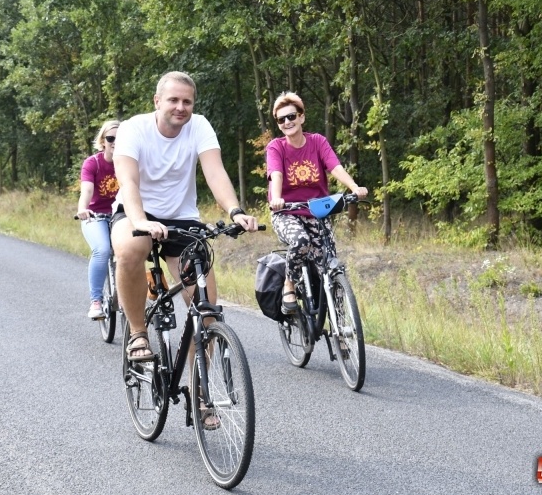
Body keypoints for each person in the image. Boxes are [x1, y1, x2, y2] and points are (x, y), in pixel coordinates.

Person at [111, 71, 258, 364]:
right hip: (136, 211)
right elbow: (129, 182)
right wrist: (140, 221)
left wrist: (235, 210)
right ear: (157, 101)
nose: (181, 107)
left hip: (182, 218)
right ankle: (139, 333)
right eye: (173, 100)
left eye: (187, 102)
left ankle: (200, 399)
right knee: (130, 249)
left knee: (205, 308)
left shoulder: (199, 126)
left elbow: (215, 173)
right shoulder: (133, 129)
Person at [266, 91, 368, 314]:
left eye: (291, 116)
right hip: (286, 212)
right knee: (300, 241)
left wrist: (354, 188)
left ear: (301, 117)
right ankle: (289, 284)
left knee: (332, 266)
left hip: (316, 212)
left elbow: (335, 167)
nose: (287, 122)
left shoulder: (317, 142)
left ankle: (342, 331)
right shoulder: (276, 147)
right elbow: (276, 175)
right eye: (281, 119)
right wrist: (276, 199)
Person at [76, 120, 120, 318]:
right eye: (111, 138)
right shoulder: (92, 163)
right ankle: (96, 301)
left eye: (120, 138)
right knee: (102, 250)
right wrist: (82, 208)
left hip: (121, 216)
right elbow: (87, 189)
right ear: (103, 141)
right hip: (95, 215)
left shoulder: (128, 162)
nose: (115, 142)